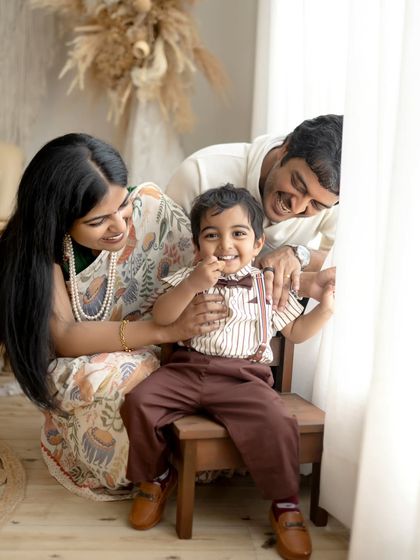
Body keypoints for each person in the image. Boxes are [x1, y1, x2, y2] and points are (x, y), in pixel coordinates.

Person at [0, 133, 228, 499]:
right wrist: (158, 331)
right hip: (99, 359)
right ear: (59, 220)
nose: (120, 226)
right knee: (106, 384)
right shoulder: (42, 253)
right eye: (98, 221)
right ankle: (151, 473)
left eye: (122, 206)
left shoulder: (150, 209)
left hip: (172, 342)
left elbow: (214, 255)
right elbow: (66, 336)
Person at [120, 185, 334, 559]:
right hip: (186, 371)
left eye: (238, 234)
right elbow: (163, 318)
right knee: (139, 401)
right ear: (197, 244)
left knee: (276, 420)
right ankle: (155, 478)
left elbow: (296, 332)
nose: (225, 244)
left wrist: (325, 310)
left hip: (244, 378)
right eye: (211, 235)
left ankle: (285, 505)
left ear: (258, 243)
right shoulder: (191, 277)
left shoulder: (267, 287)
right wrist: (193, 284)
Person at [165, 114, 342, 310]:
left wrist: (299, 254)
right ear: (285, 149)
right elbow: (163, 272)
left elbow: (346, 266)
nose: (297, 207)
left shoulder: (334, 198)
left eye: (316, 205)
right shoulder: (199, 174)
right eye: (298, 185)